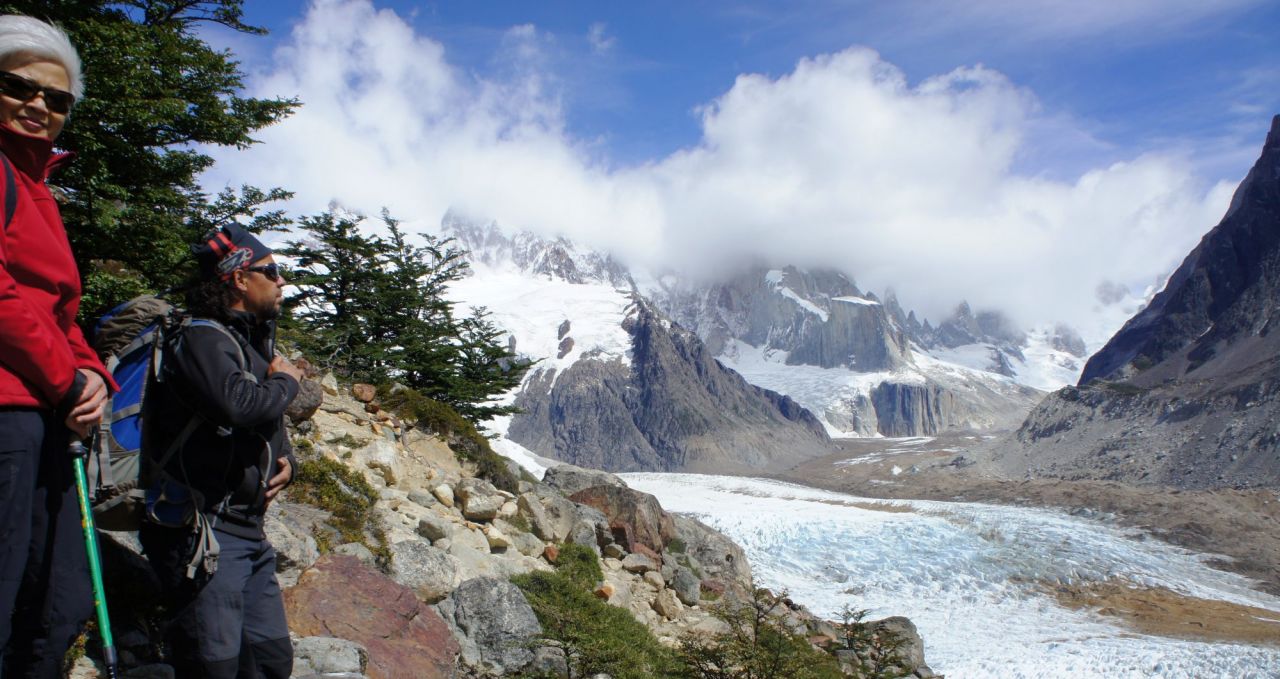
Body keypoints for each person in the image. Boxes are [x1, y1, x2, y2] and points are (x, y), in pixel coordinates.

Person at [0, 15, 114, 678]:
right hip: (13, 408)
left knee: (57, 598)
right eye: (18, 86)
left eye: (57, 98)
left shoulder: (36, 187)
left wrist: (91, 372)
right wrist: (66, 378)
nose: (38, 104)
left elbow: (60, 311)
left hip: (42, 409)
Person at [139, 223, 303, 678]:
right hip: (205, 532)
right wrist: (287, 380)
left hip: (249, 532)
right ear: (238, 277)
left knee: (271, 661)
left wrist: (288, 464)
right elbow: (238, 405)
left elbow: (265, 422)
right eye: (271, 271)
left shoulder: (248, 344)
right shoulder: (202, 338)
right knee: (215, 665)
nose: (281, 281)